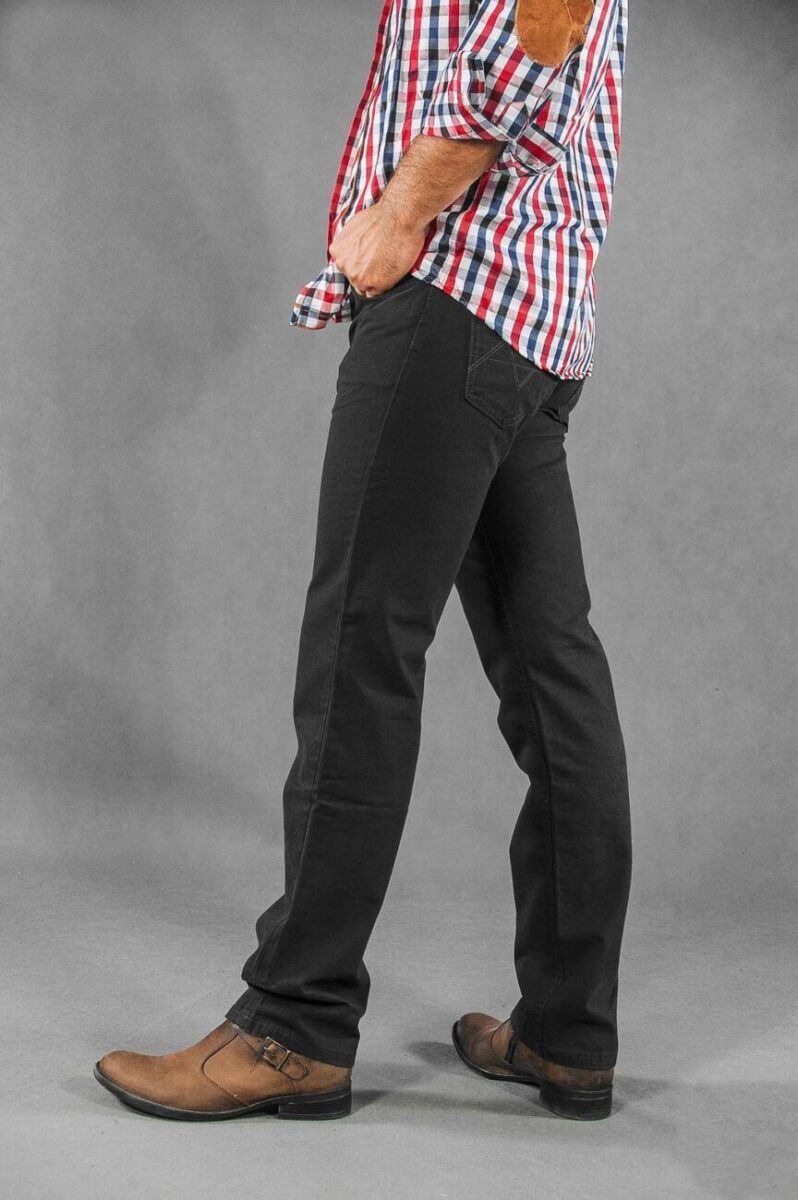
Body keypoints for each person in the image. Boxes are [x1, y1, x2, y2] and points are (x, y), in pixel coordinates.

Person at [94, 0, 632, 1123]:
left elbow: (539, 28)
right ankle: (569, 1032)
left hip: (455, 298)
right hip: (534, 320)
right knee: (553, 680)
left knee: (360, 652)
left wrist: (399, 212)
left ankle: (293, 1026)